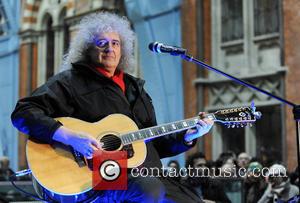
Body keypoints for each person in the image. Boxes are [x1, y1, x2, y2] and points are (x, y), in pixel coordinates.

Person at [11, 12, 214, 203]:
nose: (110, 49)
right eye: (102, 43)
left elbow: (152, 145)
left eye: (115, 43)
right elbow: (24, 112)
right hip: (99, 179)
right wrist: (69, 137)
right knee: (149, 189)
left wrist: (188, 136)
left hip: (147, 175)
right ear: (87, 49)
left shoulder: (136, 88)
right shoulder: (69, 82)